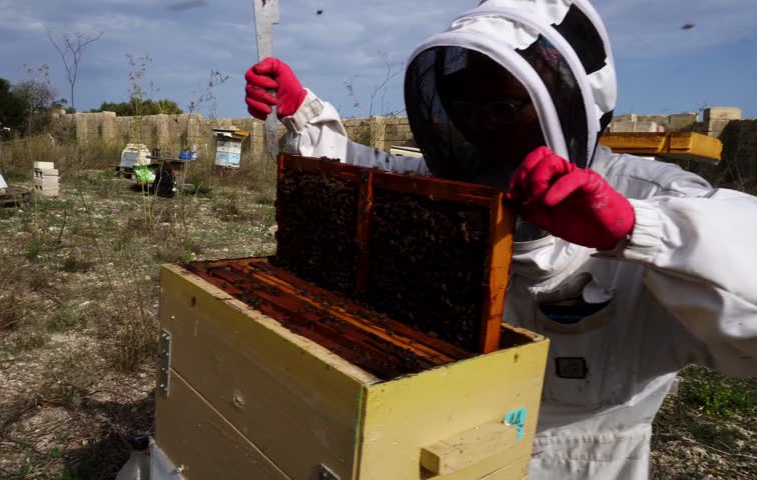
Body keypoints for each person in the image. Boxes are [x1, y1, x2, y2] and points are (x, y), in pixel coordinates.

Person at [244, 0, 757, 478]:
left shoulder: (649, 197)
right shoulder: (461, 177)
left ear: (564, 98)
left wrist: (633, 230)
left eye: (505, 108)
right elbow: (372, 178)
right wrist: (304, 115)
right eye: (468, 110)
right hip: (444, 431)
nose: (483, 126)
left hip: (581, 459)